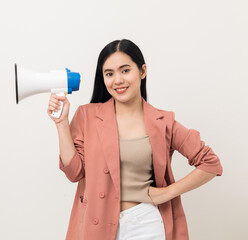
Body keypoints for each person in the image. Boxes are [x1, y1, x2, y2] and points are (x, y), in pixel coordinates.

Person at [47, 39, 223, 240]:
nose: (118, 80)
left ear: (142, 71)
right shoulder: (87, 115)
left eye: (125, 70)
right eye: (109, 74)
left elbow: (211, 164)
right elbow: (74, 172)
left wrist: (166, 193)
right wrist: (61, 123)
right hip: (97, 225)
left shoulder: (163, 121)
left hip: (146, 224)